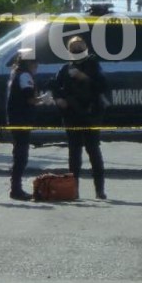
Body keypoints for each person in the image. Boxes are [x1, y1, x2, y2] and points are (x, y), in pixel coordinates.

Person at [52, 36, 108, 199]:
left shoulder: (93, 65)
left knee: (93, 151)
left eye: (80, 47)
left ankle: (99, 190)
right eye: (73, 48)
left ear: (86, 49)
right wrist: (58, 99)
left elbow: (103, 85)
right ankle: (73, 190)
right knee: (74, 154)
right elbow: (54, 85)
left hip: (91, 115)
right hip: (72, 116)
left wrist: (84, 77)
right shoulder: (65, 68)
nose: (76, 50)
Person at [6, 48, 40, 201]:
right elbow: (29, 98)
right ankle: (16, 189)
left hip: (15, 118)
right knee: (21, 156)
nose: (37, 67)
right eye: (35, 64)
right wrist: (44, 99)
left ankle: (15, 187)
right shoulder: (25, 76)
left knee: (18, 154)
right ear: (30, 63)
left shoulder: (15, 73)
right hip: (21, 119)